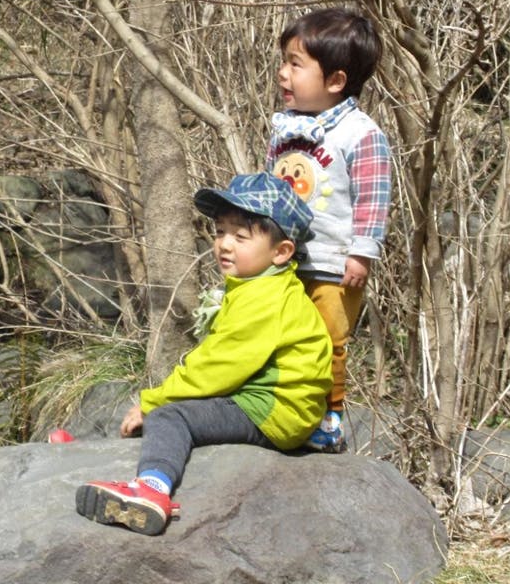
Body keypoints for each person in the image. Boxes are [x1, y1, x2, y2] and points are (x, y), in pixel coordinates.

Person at [75, 172, 331, 536]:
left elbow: (217, 367)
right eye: (220, 232)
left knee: (171, 417)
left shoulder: (264, 299)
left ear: (281, 252)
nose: (225, 244)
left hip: (272, 411)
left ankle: (151, 489)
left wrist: (154, 401)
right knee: (182, 408)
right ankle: (86, 456)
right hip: (278, 404)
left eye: (240, 236)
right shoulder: (264, 287)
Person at [266, 7, 392, 453]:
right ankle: (281, 408)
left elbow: (374, 196)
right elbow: (271, 187)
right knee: (282, 337)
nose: (283, 73)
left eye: (296, 64)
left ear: (336, 80)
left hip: (334, 266)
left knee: (327, 342)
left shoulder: (360, 134)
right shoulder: (286, 129)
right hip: (283, 259)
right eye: (284, 61)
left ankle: (327, 417)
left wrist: (361, 253)